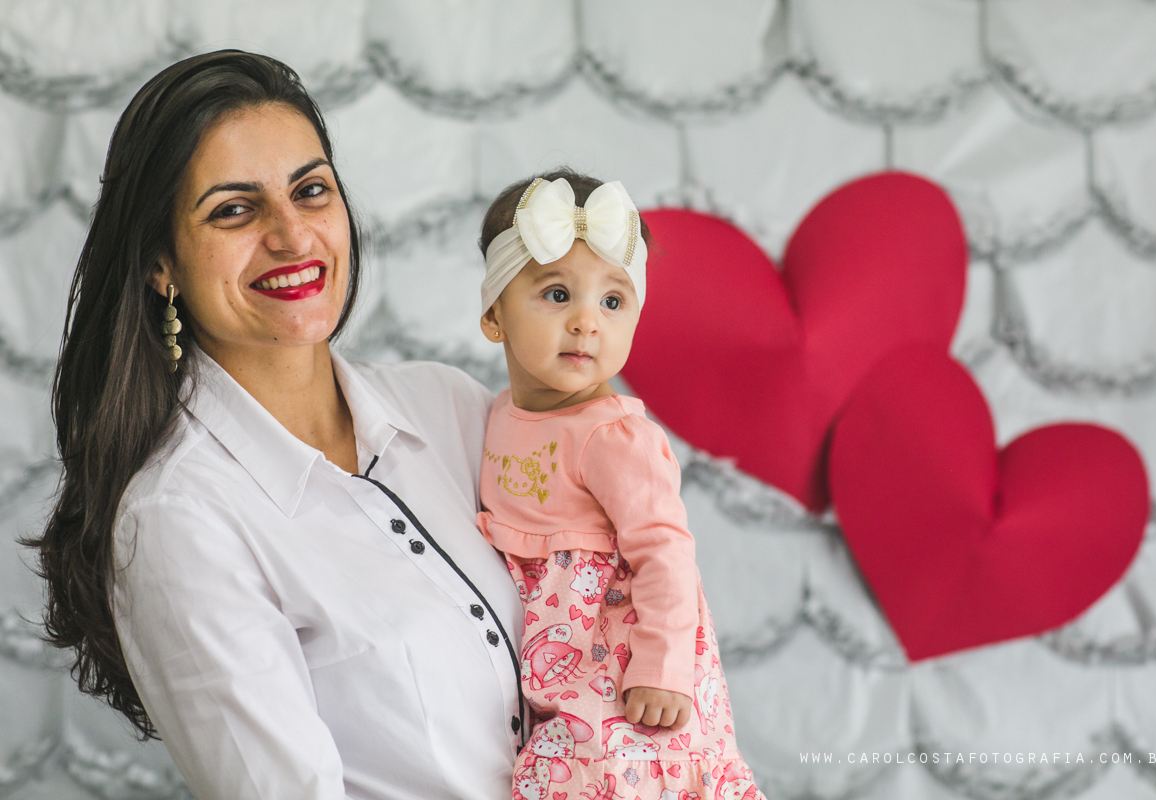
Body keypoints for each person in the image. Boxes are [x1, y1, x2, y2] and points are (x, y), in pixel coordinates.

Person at [26, 50, 526, 800]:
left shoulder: (450, 407)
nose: (292, 235)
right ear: (161, 262)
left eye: (310, 191)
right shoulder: (178, 520)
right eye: (234, 209)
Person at [476, 171, 765, 799]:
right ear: (495, 313)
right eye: (557, 294)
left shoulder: (614, 437)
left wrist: (662, 664)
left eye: (612, 302)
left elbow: (666, 552)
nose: (587, 322)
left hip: (627, 673)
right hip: (560, 669)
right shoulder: (497, 415)